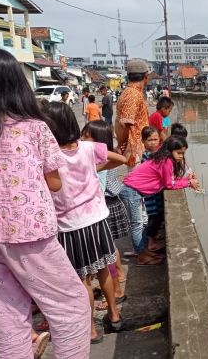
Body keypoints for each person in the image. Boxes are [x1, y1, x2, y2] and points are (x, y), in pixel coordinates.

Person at [0, 47, 90, 358]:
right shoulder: (33, 128)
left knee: (8, 320)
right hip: (29, 231)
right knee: (71, 307)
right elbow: (55, 182)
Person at [44, 102, 127, 344]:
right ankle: (114, 315)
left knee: (82, 280)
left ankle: (90, 327)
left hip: (70, 226)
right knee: (104, 270)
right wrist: (95, 167)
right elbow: (121, 158)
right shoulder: (87, 149)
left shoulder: (50, 156)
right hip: (97, 219)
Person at [80, 121, 129, 310]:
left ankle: (116, 287)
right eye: (82, 136)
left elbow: (99, 188)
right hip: (104, 206)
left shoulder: (98, 161)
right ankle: (117, 278)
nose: (82, 140)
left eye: (86, 137)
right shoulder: (99, 159)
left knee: (105, 254)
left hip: (101, 209)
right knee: (108, 250)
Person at [115, 59, 152, 263]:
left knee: (142, 208)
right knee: (138, 209)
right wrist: (125, 148)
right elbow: (123, 124)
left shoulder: (129, 93)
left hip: (135, 152)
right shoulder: (132, 94)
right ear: (145, 77)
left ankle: (144, 248)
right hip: (134, 154)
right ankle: (142, 252)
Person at [123, 136, 200, 199]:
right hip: (132, 191)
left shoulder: (163, 158)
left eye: (183, 153)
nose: (181, 156)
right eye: (179, 153)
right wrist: (189, 182)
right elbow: (169, 184)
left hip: (133, 190)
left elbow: (169, 179)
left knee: (142, 218)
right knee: (138, 218)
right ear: (170, 150)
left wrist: (187, 180)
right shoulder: (166, 161)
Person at [140, 127, 166, 262]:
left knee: (159, 215)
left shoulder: (158, 154)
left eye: (155, 139)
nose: (153, 143)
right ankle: (150, 242)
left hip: (157, 192)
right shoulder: (146, 156)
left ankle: (153, 239)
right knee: (154, 216)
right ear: (143, 141)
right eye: (149, 140)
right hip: (151, 194)